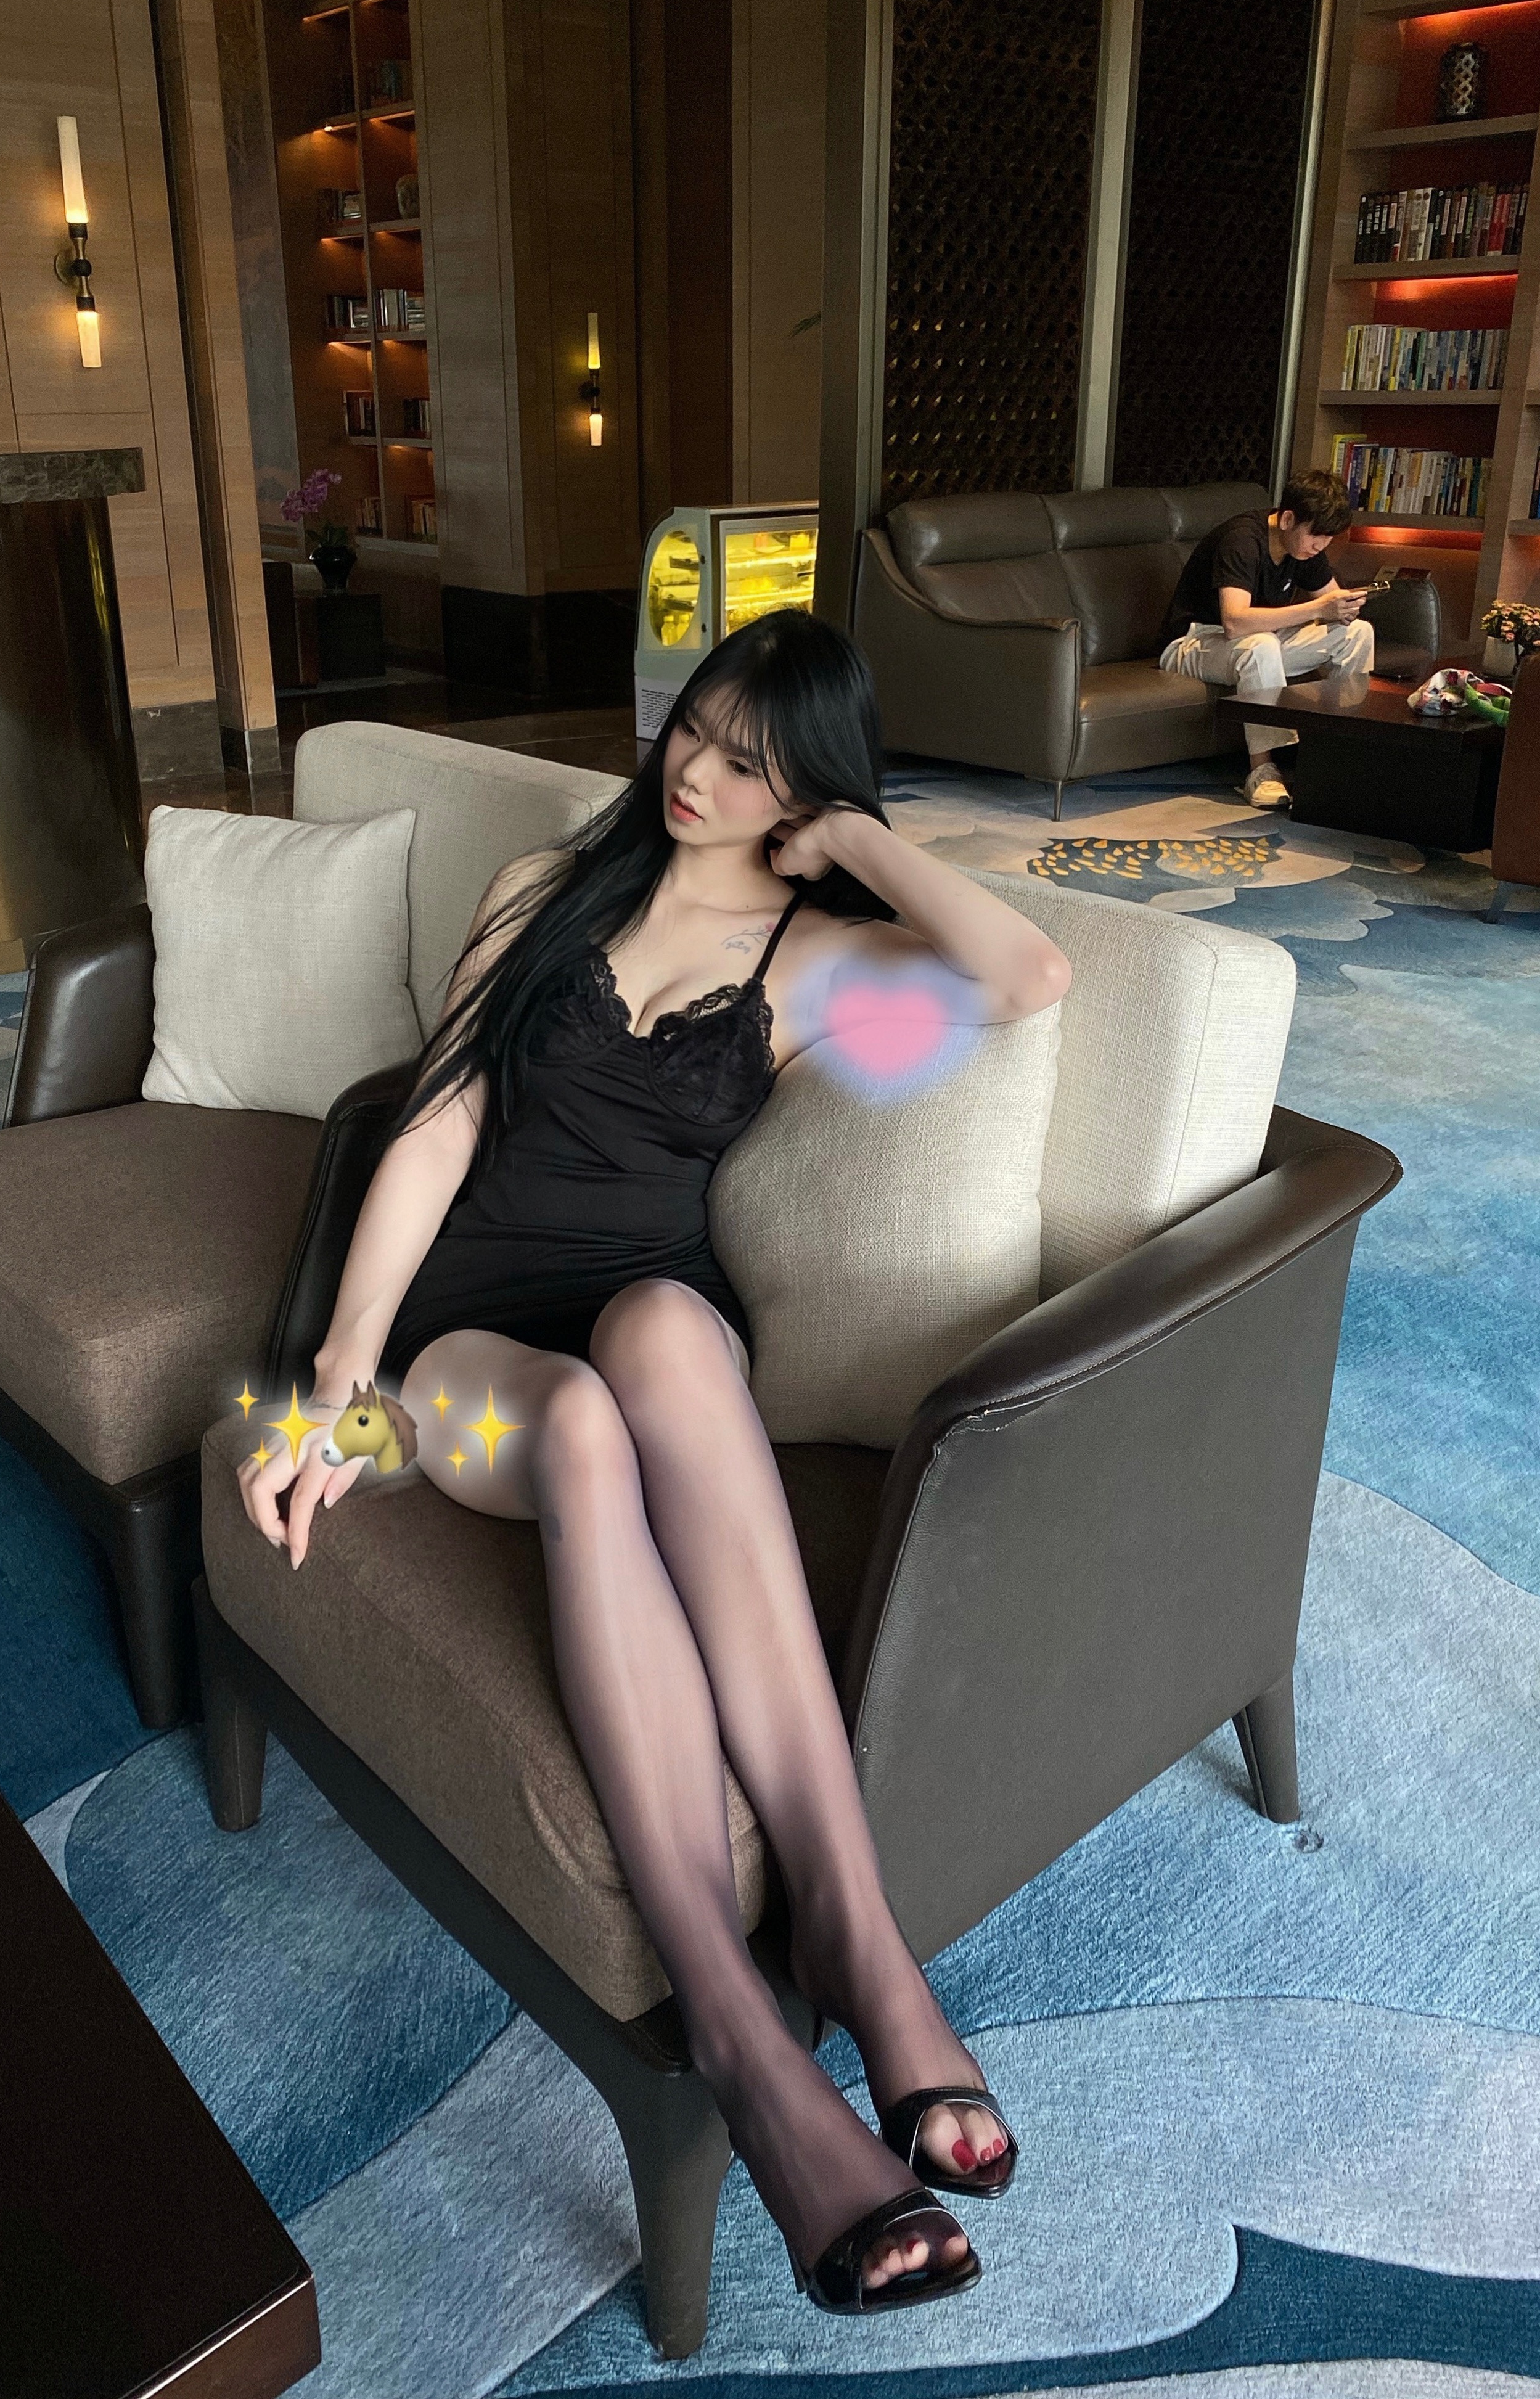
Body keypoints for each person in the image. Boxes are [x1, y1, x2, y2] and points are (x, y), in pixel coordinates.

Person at [238, 610, 1071, 2318]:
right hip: (458, 1383)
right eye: (697, 729)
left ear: (808, 791)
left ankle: (850, 1928)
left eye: (755, 765)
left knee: (668, 1340)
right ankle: (731, 2016)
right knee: (566, 1420)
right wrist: (334, 1382)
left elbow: (1023, 978)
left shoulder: (815, 963)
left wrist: (856, 845)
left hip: (649, 1321)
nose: (697, 775)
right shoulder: (542, 889)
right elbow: (438, 1123)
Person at [1158, 468, 1374, 809]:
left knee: (1357, 633)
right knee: (1261, 645)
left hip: (1257, 640)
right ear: (1287, 519)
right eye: (1316, 535)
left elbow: (1331, 603)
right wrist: (1319, 608)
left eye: (1328, 539)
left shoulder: (1305, 549)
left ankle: (1337, 755)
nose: (1321, 546)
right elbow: (1234, 622)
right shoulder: (1243, 540)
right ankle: (1262, 772)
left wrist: (1344, 608)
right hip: (1193, 642)